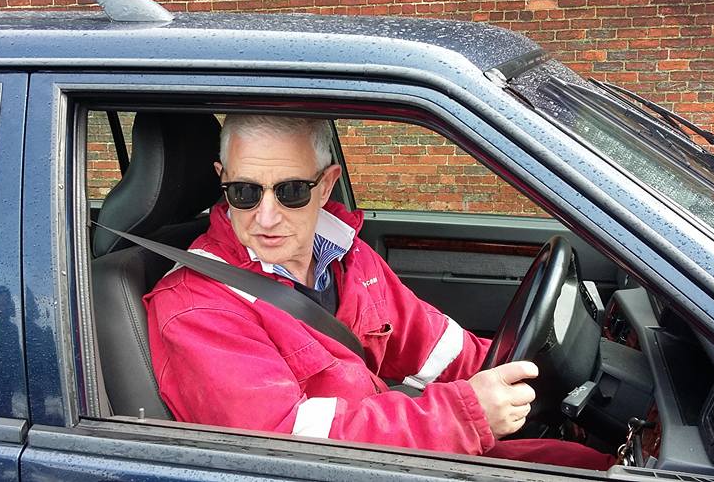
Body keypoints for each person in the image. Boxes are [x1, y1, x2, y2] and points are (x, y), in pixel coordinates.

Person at [143, 114, 613, 469]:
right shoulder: (196, 307)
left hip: (384, 449)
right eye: (244, 192)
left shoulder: (345, 256)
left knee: (585, 464)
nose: (265, 216)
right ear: (222, 179)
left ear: (326, 185)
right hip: (339, 467)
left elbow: (435, 346)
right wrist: (465, 414)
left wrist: (533, 373)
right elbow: (283, 448)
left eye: (291, 191)